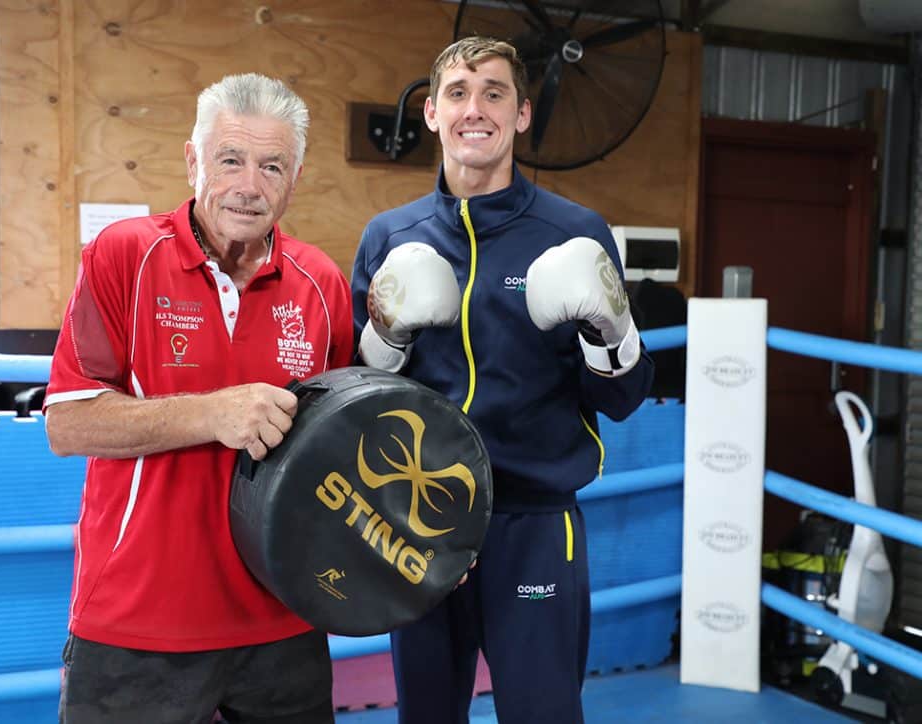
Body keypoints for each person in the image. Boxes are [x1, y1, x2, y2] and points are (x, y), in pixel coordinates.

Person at [351, 37, 654, 723]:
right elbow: (358, 400)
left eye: (494, 92)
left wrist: (613, 332)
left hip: (534, 521)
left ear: (521, 115)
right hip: (417, 520)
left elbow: (625, 398)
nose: (475, 108)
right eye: (458, 92)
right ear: (432, 113)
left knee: (542, 714)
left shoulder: (573, 233)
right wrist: (388, 335)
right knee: (426, 715)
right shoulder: (389, 237)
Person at [44, 73, 353, 724]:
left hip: (283, 619)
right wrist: (211, 412)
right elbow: (68, 424)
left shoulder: (321, 282)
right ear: (193, 161)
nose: (249, 185)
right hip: (139, 625)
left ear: (295, 177)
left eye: (272, 166)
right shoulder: (123, 255)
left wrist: (426, 545)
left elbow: (344, 451)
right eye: (230, 160)